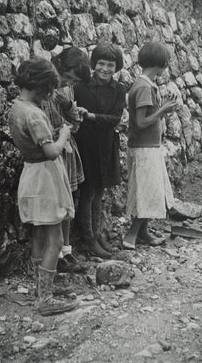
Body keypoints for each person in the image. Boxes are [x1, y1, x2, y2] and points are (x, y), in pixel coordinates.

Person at [8, 57, 77, 316]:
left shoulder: (17, 107)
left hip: (31, 173)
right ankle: (45, 299)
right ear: (40, 86)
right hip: (45, 177)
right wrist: (63, 135)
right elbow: (50, 152)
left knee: (40, 234)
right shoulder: (35, 114)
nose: (50, 94)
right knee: (56, 240)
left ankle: (40, 287)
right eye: (48, 89)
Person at [122, 41, 179, 250]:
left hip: (149, 147)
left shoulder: (146, 84)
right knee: (147, 192)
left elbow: (149, 116)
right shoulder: (144, 87)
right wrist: (163, 110)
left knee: (151, 189)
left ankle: (143, 232)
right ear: (162, 64)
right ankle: (131, 234)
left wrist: (164, 107)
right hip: (144, 148)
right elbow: (141, 122)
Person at [74, 44, 126, 258]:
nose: (105, 69)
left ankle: (97, 234)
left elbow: (115, 118)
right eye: (101, 64)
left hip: (106, 145)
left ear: (117, 67)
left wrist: (93, 117)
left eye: (110, 65)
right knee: (87, 192)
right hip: (86, 144)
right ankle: (88, 239)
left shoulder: (119, 89)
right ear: (93, 64)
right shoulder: (81, 87)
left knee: (99, 191)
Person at [41, 47, 91, 273]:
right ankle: (55, 254)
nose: (66, 82)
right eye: (67, 77)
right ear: (59, 67)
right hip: (51, 153)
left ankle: (67, 251)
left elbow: (77, 124)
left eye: (71, 81)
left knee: (68, 201)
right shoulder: (43, 90)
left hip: (67, 152)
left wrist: (68, 105)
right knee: (55, 205)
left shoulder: (65, 92)